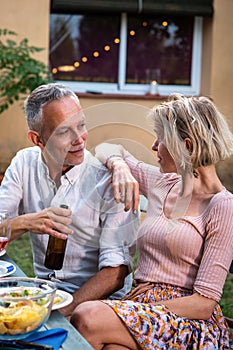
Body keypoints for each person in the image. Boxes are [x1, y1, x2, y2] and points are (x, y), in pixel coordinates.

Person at [70, 94, 233, 349]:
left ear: (186, 146)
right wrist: (120, 167)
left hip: (185, 321)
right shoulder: (161, 181)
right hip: (143, 312)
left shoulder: (221, 205)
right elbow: (106, 149)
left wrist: (134, 308)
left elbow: (203, 304)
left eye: (161, 139)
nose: (155, 146)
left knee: (86, 315)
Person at [0, 83, 139, 318]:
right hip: (44, 292)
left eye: (81, 125)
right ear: (38, 139)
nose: (80, 139)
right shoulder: (24, 163)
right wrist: (27, 222)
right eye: (64, 131)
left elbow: (116, 273)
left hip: (96, 305)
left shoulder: (108, 181)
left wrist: (62, 312)